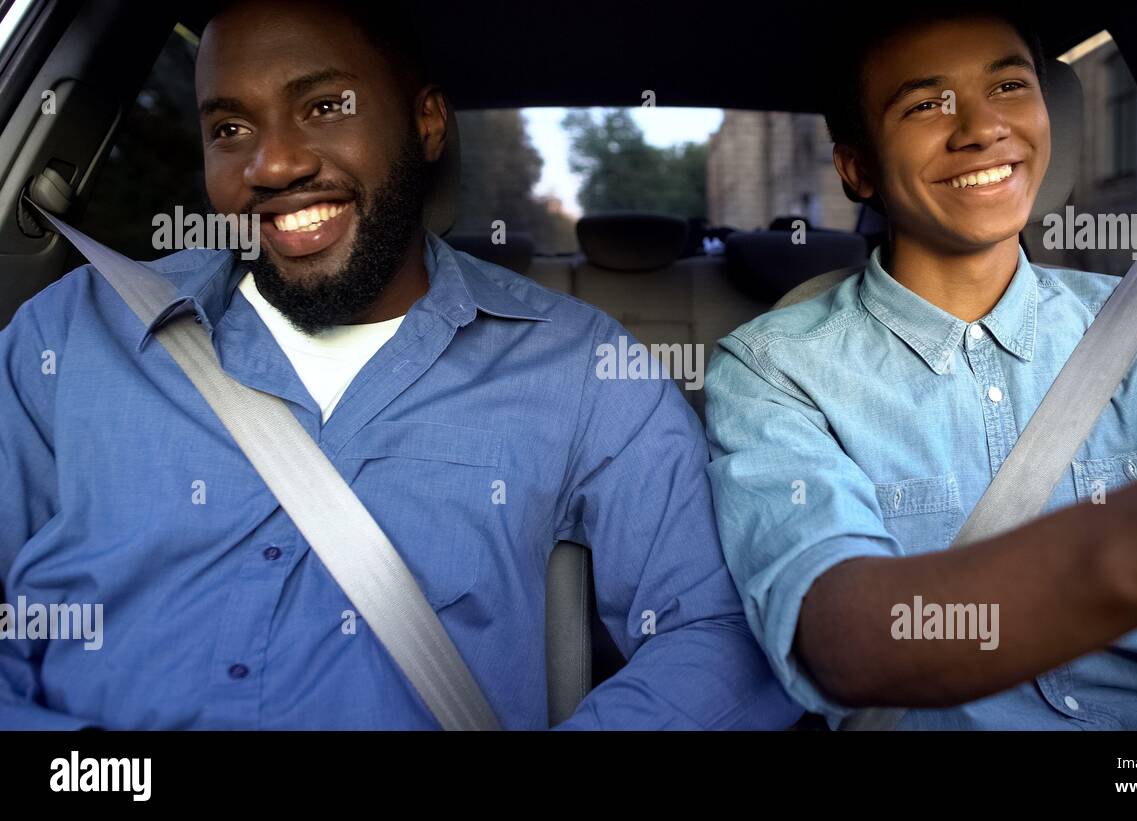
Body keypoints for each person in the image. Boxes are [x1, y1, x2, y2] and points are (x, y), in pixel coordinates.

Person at [0, 0, 801, 730]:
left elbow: (716, 626)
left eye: (323, 108)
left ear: (425, 124)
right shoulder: (70, 336)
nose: (272, 166)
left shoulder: (579, 367)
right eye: (230, 129)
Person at [705, 3, 1137, 728]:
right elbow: (838, 632)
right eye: (926, 103)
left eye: (1011, 87)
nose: (982, 127)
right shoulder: (775, 370)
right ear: (856, 168)